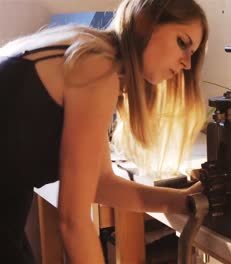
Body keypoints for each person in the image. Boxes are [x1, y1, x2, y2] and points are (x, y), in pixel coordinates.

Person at [0, 0, 208, 263]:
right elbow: (73, 221)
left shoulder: (90, 49)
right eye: (182, 42)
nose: (187, 64)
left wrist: (175, 201)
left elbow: (100, 183)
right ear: (146, 22)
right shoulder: (98, 66)